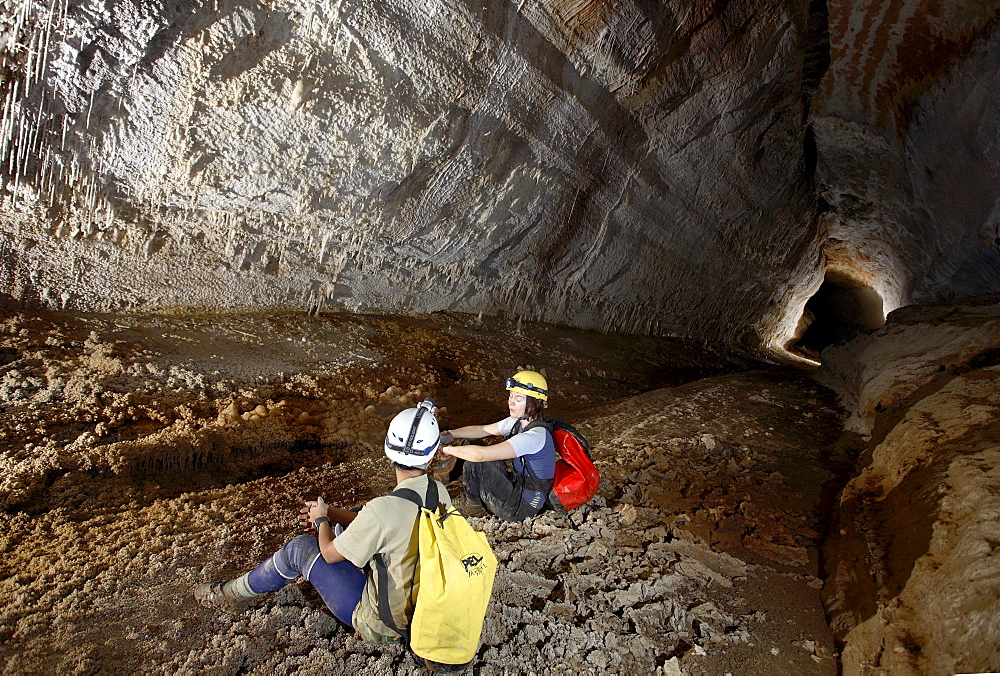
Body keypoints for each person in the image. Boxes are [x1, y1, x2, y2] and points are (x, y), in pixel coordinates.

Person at [194, 399, 451, 647]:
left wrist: (321, 521)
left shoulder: (382, 510)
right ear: (430, 457)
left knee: (300, 550)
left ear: (387, 450)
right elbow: (381, 523)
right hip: (425, 609)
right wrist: (331, 513)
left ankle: (228, 595)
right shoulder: (439, 492)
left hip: (386, 626)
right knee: (355, 515)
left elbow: (329, 554)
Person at [437, 370, 555, 521]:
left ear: (534, 403)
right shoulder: (517, 422)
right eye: (511, 396)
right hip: (517, 485)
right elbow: (482, 430)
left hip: (522, 507)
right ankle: (433, 483)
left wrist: (447, 450)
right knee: (470, 443)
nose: (511, 402)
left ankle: (473, 505)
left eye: (518, 399)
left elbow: (480, 456)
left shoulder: (535, 436)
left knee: (475, 464)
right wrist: (449, 434)